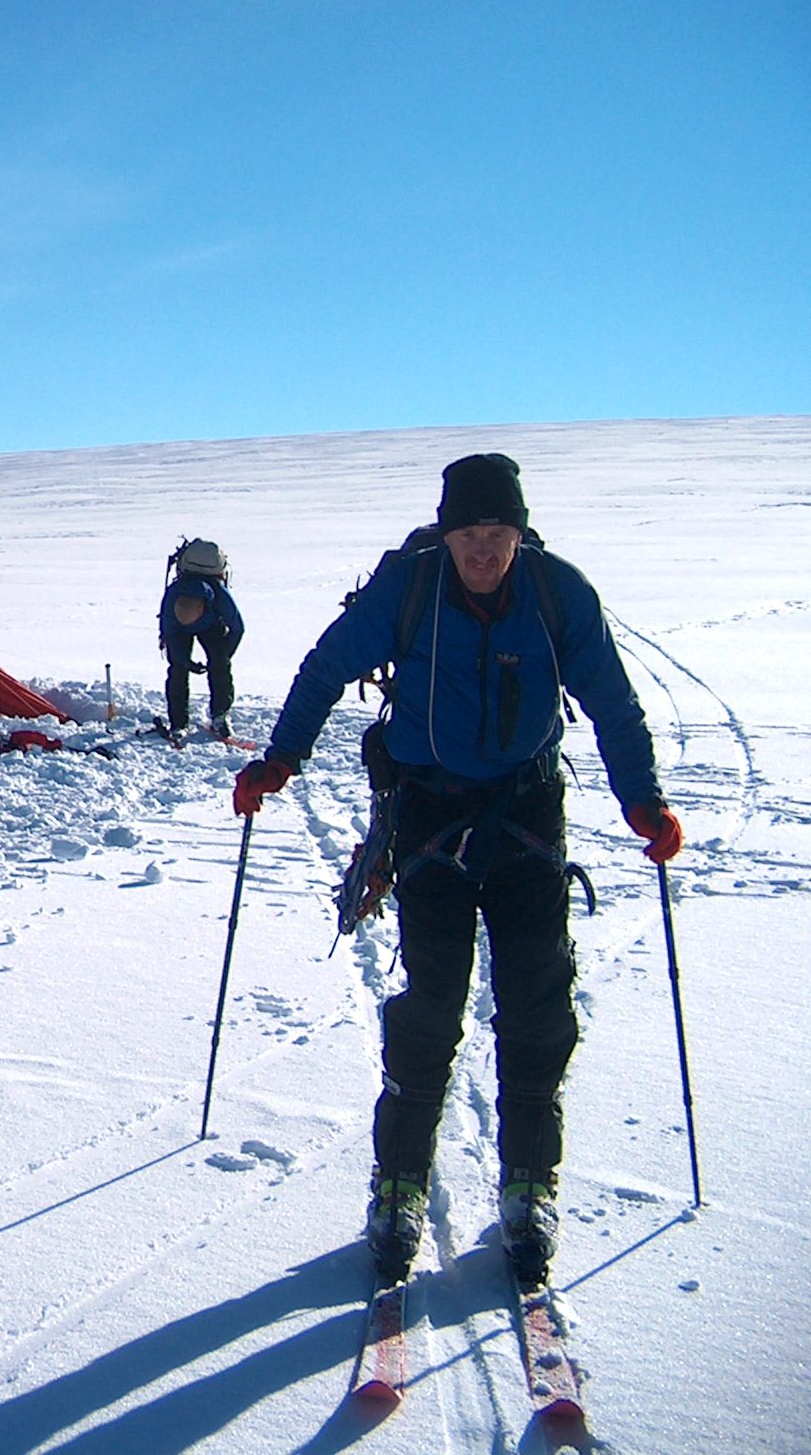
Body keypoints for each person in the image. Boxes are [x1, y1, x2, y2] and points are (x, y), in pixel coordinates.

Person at [232, 454, 681, 1287]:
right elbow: (327, 666)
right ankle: (399, 1183)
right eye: (470, 534)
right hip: (431, 816)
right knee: (433, 1003)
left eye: (498, 534)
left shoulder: (558, 594)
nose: (483, 551)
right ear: (447, 534)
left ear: (520, 534)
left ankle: (529, 1186)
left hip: (527, 816)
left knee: (538, 998)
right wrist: (281, 758)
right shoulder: (409, 588)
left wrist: (642, 801)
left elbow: (614, 701)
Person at [159, 567, 244, 742]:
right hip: (178, 631)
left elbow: (237, 629)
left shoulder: (220, 596)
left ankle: (220, 716)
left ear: (201, 608)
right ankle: (178, 723)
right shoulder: (171, 602)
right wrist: (185, 661)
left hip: (211, 625)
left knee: (220, 665)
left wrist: (223, 657)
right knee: (177, 670)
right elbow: (170, 635)